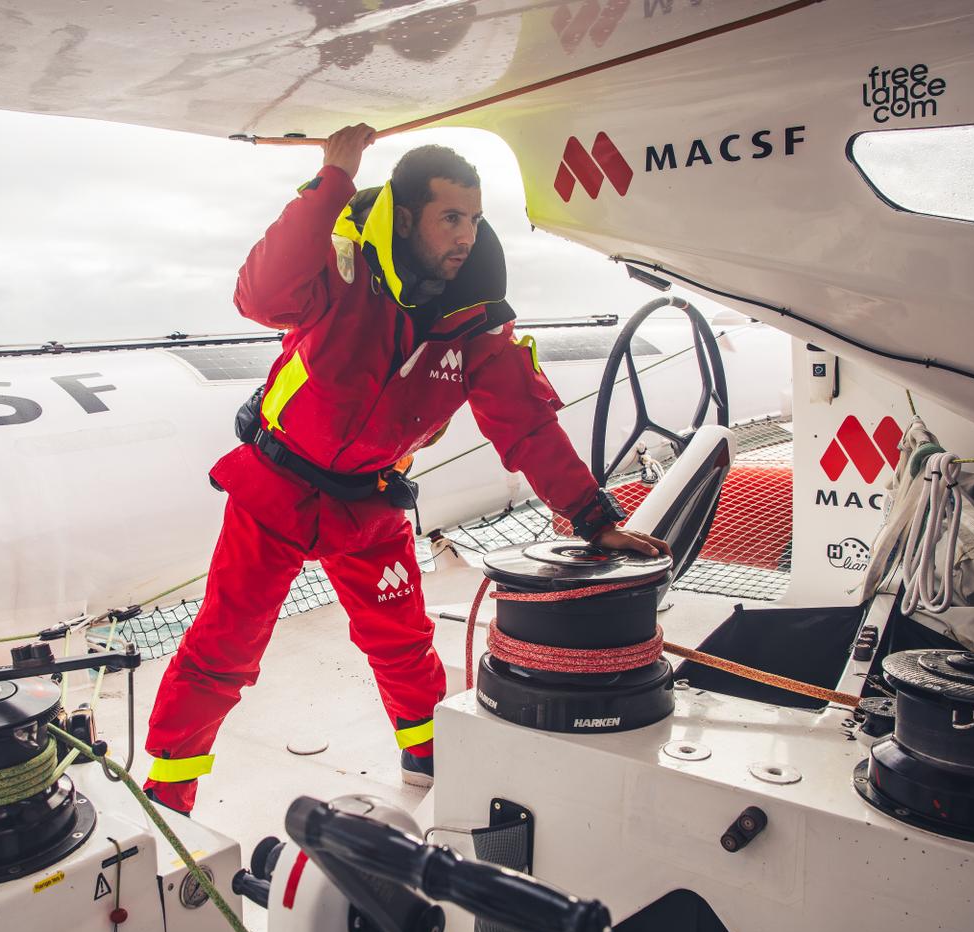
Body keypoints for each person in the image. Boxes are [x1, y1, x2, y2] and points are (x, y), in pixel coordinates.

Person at [142, 124, 668, 814]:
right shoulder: (341, 272)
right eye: (451, 217)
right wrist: (332, 179)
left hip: (369, 506)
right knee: (226, 645)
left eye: (475, 221)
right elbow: (258, 296)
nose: (465, 237)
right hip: (277, 488)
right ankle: (168, 791)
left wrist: (596, 519)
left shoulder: (479, 329)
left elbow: (528, 425)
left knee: (402, 641)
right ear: (406, 213)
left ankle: (426, 755)